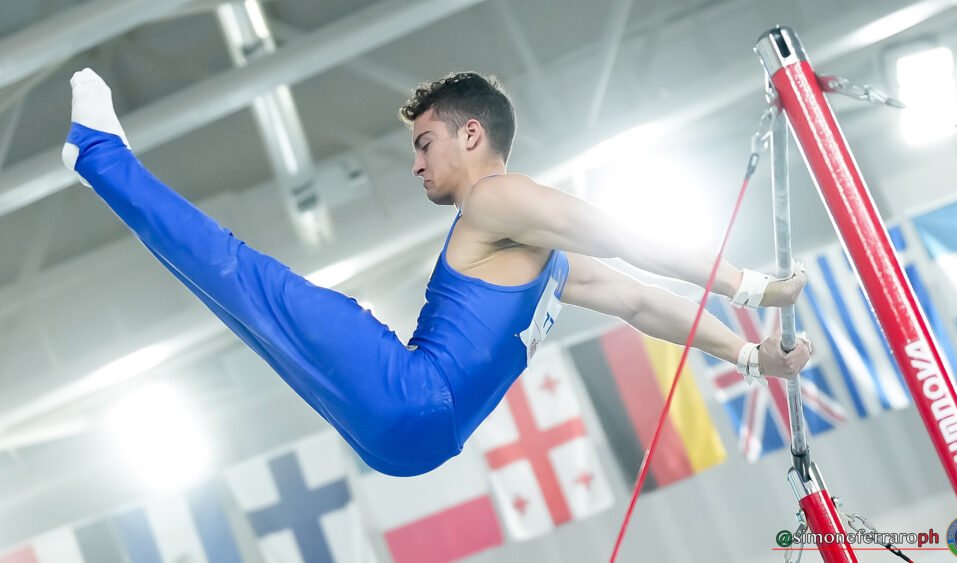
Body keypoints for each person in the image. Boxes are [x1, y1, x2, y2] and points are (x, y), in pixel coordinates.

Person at [62, 68, 810, 477]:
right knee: (254, 314)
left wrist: (753, 290)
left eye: (425, 143)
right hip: (420, 446)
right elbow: (646, 303)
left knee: (245, 278)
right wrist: (748, 354)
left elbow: (634, 258)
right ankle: (101, 165)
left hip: (411, 404)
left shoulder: (496, 197)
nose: (417, 163)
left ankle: (100, 154)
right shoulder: (543, 265)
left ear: (473, 133)